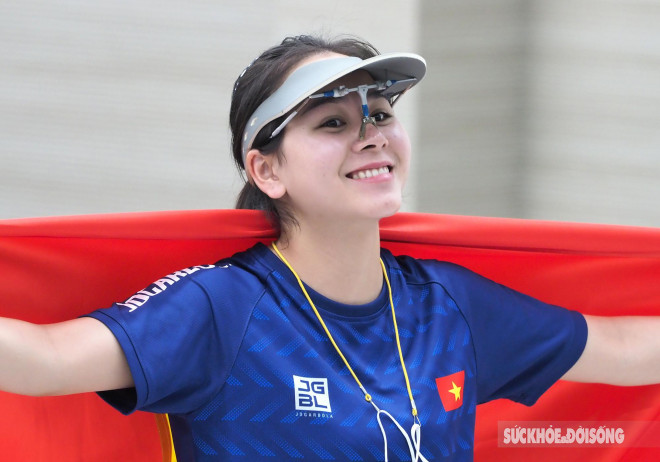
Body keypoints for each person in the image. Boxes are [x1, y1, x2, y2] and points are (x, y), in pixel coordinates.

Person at [0, 34, 659, 462]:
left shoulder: (446, 304)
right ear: (268, 172)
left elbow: (627, 351)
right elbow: (45, 360)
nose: (371, 132)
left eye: (380, 114)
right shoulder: (224, 307)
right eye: (334, 122)